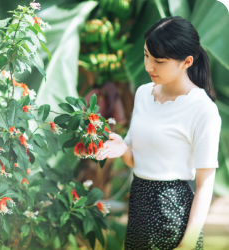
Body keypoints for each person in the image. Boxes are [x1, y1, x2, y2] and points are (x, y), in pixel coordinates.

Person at [96, 16, 222, 250]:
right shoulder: (144, 94)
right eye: (145, 55)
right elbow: (137, 158)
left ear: (186, 62)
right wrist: (123, 148)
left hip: (173, 215)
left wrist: (188, 243)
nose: (148, 66)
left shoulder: (203, 110)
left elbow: (205, 184)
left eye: (159, 61)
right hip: (138, 209)